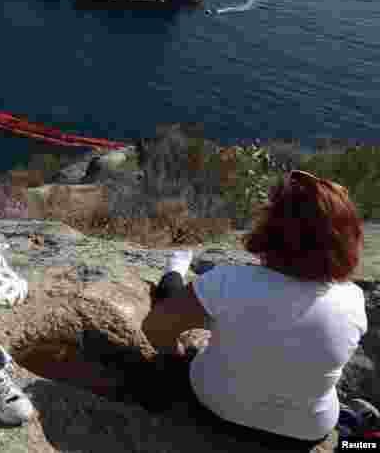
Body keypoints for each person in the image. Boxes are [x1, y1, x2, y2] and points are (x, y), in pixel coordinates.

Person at [141, 169, 368, 451]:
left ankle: (176, 266)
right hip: (305, 431)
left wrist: (176, 358)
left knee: (173, 295)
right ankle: (359, 440)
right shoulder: (353, 301)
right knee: (354, 425)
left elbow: (154, 327)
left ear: (271, 229)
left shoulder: (229, 281)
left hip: (216, 409)